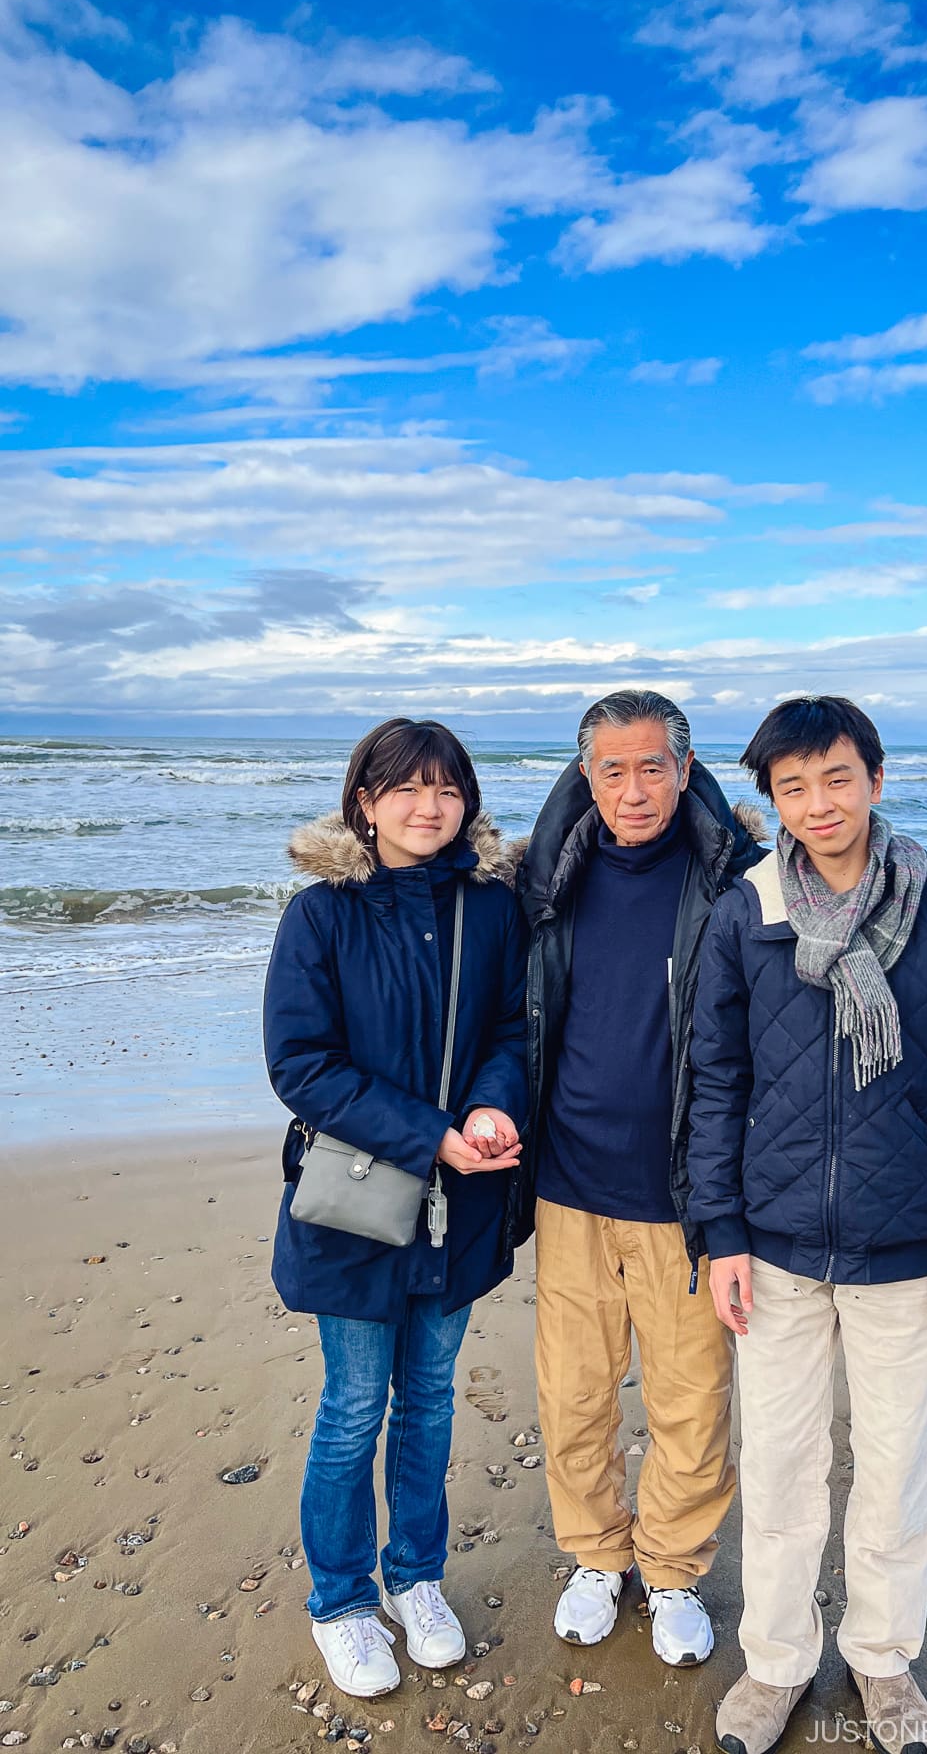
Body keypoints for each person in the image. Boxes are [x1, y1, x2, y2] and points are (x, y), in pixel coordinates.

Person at [687, 695, 927, 1754]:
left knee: (892, 1469)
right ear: (771, 799)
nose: (819, 803)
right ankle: (777, 1665)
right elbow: (715, 1082)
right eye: (793, 787)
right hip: (773, 1249)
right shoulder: (747, 913)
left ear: (875, 777)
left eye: (837, 778)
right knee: (779, 1470)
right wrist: (720, 1233)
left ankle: (882, 1663)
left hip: (905, 1247)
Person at [264, 718, 527, 1699]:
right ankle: (340, 1603)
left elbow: (511, 1026)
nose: (430, 807)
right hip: (358, 1211)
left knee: (428, 1402)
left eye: (448, 789)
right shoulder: (321, 916)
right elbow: (303, 1068)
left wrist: (495, 1102)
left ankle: (416, 1580)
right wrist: (427, 1134)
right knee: (349, 1413)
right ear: (365, 803)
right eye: (407, 790)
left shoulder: (490, 909)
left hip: (460, 1207)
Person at [515, 688, 765, 1666]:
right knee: (574, 1394)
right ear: (587, 775)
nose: (632, 787)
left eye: (651, 765)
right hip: (570, 1184)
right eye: (611, 768)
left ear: (684, 770)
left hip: (683, 1193)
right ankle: (595, 1556)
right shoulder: (544, 881)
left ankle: (670, 1572)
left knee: (689, 1399)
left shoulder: (737, 882)